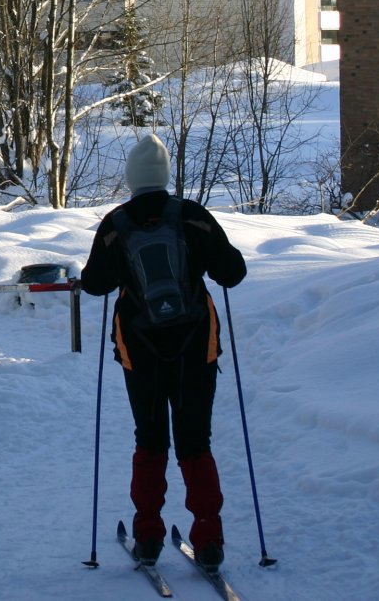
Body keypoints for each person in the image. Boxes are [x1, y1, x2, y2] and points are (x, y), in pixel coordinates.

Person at [81, 133, 246, 571]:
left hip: (141, 348)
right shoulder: (192, 217)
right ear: (166, 175)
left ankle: (148, 535)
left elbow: (94, 283)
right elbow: (233, 273)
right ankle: (209, 538)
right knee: (196, 440)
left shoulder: (116, 224)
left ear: (132, 178)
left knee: (150, 439)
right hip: (196, 344)